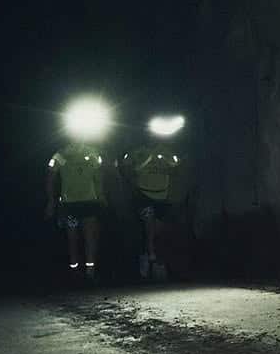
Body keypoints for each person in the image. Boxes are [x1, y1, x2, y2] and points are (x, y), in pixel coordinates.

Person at [119, 119, 186, 281]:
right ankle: (152, 257)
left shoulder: (167, 152)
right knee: (148, 224)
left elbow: (177, 169)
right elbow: (126, 168)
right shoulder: (137, 152)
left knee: (157, 231)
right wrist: (133, 182)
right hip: (143, 195)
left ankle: (150, 257)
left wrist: (168, 163)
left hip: (162, 197)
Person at [46, 143, 106, 280]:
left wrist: (101, 196)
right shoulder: (60, 154)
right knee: (72, 238)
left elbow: (99, 176)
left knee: (90, 237)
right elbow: (50, 178)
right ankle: (74, 270)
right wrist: (51, 201)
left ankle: (90, 271)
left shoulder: (92, 153)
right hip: (69, 204)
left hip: (89, 203)